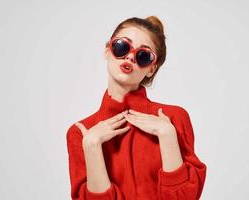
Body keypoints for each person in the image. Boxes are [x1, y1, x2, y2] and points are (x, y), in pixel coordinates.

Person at [66, 15, 207, 200]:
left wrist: (167, 134)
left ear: (151, 69)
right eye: (122, 46)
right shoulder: (81, 133)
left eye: (143, 55)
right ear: (107, 50)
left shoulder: (173, 118)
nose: (130, 56)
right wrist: (92, 146)